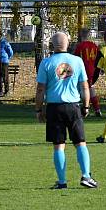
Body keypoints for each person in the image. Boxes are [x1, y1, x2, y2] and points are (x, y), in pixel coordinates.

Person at [35, 32, 97, 190]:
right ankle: (86, 176)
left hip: (54, 107)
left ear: (52, 45)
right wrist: (87, 105)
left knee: (59, 145)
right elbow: (84, 86)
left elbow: (40, 89)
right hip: (73, 106)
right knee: (80, 142)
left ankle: (62, 182)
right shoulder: (77, 61)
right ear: (67, 44)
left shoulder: (46, 63)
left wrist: (38, 109)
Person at [73, 28, 103, 116]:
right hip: (93, 71)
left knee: (85, 90)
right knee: (89, 88)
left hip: (84, 71)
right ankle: (93, 110)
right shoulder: (94, 45)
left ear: (81, 35)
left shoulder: (80, 46)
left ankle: (89, 110)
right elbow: (99, 57)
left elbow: (75, 58)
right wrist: (100, 68)